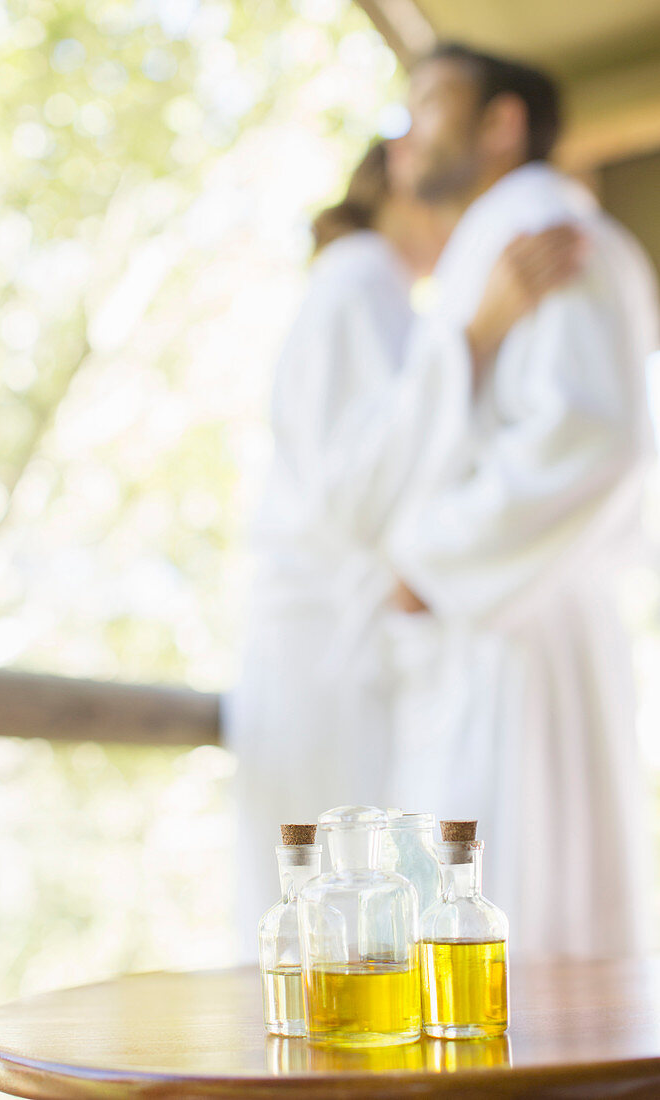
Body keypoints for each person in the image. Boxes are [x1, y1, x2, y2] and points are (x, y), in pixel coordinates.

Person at [226, 135, 583, 959]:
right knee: (337, 934)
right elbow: (356, 486)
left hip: (341, 650)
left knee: (346, 936)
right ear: (399, 178)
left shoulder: (374, 290)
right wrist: (476, 334)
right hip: (328, 653)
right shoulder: (359, 281)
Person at [382, 44, 659, 957]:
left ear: (501, 122)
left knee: (523, 930)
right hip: (496, 626)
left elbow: (591, 435)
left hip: (520, 635)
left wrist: (435, 562)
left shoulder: (539, 232)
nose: (407, 132)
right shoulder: (486, 255)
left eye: (430, 105)